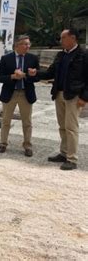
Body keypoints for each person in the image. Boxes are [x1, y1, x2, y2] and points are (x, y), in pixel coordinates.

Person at [35, 29, 88, 170]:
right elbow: (50, 73)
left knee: (71, 127)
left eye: (63, 37)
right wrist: (36, 74)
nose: (60, 40)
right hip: (59, 94)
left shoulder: (83, 54)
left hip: (74, 95)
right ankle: (64, 153)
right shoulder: (60, 55)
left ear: (73, 38)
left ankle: (72, 159)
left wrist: (84, 97)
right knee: (62, 126)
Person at [0, 35, 40, 157]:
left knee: (27, 122)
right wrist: (13, 76)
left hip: (26, 93)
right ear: (17, 45)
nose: (28, 46)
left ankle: (27, 145)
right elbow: (0, 78)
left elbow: (37, 77)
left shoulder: (33, 58)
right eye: (25, 44)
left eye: (29, 44)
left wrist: (29, 75)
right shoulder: (6, 58)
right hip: (10, 93)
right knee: (6, 120)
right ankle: (3, 143)